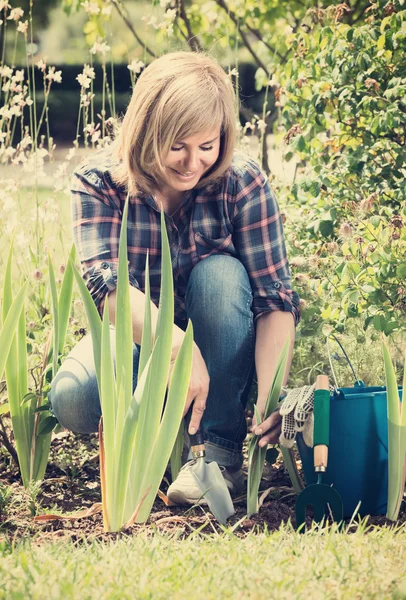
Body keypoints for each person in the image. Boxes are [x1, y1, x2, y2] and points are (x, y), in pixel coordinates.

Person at [50, 51, 300, 504]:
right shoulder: (99, 183)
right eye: (177, 146)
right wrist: (180, 350)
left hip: (225, 350)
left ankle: (215, 455)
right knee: (75, 398)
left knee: (221, 274)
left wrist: (269, 397)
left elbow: (274, 300)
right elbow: (107, 290)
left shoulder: (241, 183)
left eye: (207, 147)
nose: (192, 163)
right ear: (146, 131)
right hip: (140, 341)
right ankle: (154, 443)